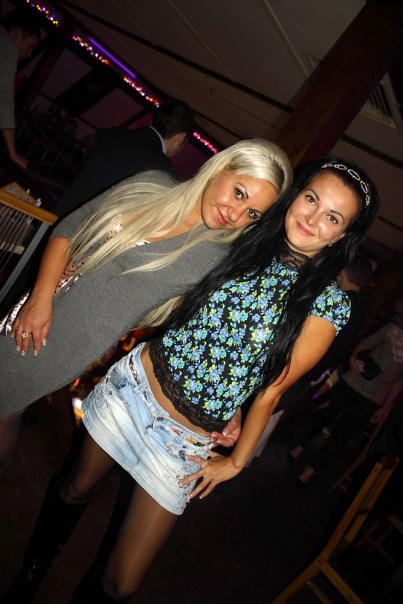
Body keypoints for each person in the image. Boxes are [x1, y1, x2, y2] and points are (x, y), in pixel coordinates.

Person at [2, 158, 379, 603]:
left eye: (332, 217)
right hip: (135, 388)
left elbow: (274, 386)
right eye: (311, 199)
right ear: (296, 195)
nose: (313, 219)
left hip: (184, 440)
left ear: (342, 236)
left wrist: (237, 461)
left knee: (123, 581)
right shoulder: (245, 238)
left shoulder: (328, 302)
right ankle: (29, 576)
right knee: (74, 488)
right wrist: (67, 279)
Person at [0, 138, 292, 472]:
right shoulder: (151, 183)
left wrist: (231, 407)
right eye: (239, 193)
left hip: (67, 342)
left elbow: (215, 332)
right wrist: (40, 297)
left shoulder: (215, 258)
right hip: (37, 304)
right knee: (9, 410)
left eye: (252, 213)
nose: (235, 214)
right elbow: (69, 228)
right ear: (221, 169)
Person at [296, 296, 403, 486]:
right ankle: (301, 446)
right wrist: (353, 359)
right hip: (355, 379)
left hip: (375, 396)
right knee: (327, 414)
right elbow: (365, 343)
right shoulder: (392, 330)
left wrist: (385, 408)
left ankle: (311, 470)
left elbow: (399, 383)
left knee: (344, 435)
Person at [52, 99, 196, 218]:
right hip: (86, 233)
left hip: (58, 214)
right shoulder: (163, 168)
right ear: (180, 138)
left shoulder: (110, 134)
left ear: (153, 120)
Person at [0, 9, 40, 169]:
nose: (29, 54)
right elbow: (4, 99)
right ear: (16, 34)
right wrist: (12, 152)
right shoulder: (8, 48)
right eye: (29, 47)